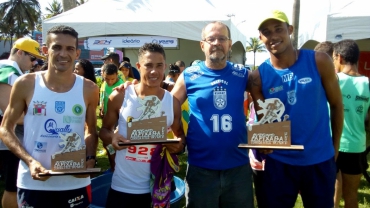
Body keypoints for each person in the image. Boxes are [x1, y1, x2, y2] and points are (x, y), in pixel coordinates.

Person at [249, 10, 343, 207]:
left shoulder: (319, 61)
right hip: (279, 163)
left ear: (290, 30)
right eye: (266, 32)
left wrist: (334, 149)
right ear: (260, 38)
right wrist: (262, 141)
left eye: (278, 29)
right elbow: (264, 122)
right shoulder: (258, 77)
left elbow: (336, 105)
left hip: (319, 161)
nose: (273, 36)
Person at [0, 25, 99, 208]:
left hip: (75, 182)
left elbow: (91, 130)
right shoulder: (25, 84)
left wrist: (90, 158)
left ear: (77, 53)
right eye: (57, 47)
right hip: (34, 182)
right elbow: (6, 128)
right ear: (46, 50)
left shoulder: (89, 89)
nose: (63, 54)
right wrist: (30, 161)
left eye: (69, 48)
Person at [171, 21, 254, 207]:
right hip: (201, 167)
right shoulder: (189, 75)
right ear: (202, 45)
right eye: (211, 39)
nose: (216, 42)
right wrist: (177, 133)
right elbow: (169, 104)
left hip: (238, 166)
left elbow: (267, 97)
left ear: (230, 44)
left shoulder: (243, 74)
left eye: (222, 38)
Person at [99, 43, 185, 207]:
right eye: (148, 65)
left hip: (157, 187)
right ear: (138, 66)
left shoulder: (172, 102)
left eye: (159, 65)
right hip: (123, 187)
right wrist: (113, 137)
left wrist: (178, 145)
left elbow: (179, 135)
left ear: (165, 67)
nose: (154, 71)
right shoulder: (120, 96)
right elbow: (103, 130)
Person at [0, 38, 44, 208]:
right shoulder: (7, 71)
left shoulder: (14, 72)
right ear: (19, 52)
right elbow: (10, 113)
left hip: (13, 136)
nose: (35, 63)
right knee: (12, 186)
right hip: (9, 139)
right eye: (32, 58)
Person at [333, 39, 369, 208]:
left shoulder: (333, 80)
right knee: (351, 196)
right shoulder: (368, 83)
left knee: (331, 196)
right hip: (357, 146)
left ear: (339, 58)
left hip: (332, 145)